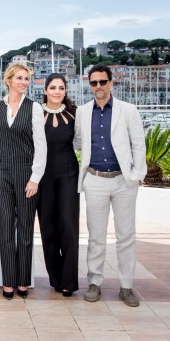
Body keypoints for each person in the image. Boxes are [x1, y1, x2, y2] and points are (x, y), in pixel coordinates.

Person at [74, 64, 146, 307]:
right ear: (90, 85)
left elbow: (138, 145)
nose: (98, 87)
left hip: (123, 181)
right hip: (94, 180)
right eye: (94, 83)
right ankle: (95, 282)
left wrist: (136, 175)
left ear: (110, 83)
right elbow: (74, 141)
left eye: (102, 82)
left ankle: (126, 287)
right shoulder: (82, 112)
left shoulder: (129, 110)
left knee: (126, 236)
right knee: (96, 237)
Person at [0, 64, 46, 300]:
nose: (24, 82)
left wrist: (35, 178)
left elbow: (41, 147)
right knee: (6, 230)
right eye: (19, 78)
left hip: (26, 174)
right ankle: (8, 282)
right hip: (1, 172)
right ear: (8, 80)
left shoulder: (34, 108)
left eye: (26, 79)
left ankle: (23, 280)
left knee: (25, 229)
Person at [37, 73, 79, 297]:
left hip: (68, 174)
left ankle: (69, 281)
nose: (56, 91)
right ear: (45, 90)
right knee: (47, 228)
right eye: (52, 87)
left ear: (65, 91)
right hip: (42, 176)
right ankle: (55, 278)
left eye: (61, 88)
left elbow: (82, 141)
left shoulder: (75, 113)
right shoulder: (35, 113)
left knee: (69, 228)